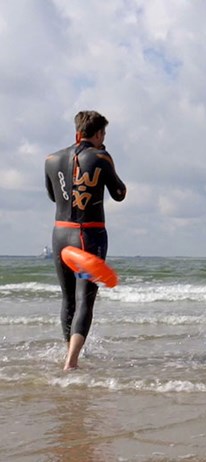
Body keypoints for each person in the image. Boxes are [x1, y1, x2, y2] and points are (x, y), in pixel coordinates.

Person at [45, 111, 127, 370]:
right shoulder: (101, 157)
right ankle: (72, 361)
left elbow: (52, 196)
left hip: (60, 234)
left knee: (68, 299)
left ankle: (69, 352)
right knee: (84, 299)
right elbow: (119, 193)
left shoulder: (51, 159)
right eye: (103, 134)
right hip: (88, 235)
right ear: (99, 134)